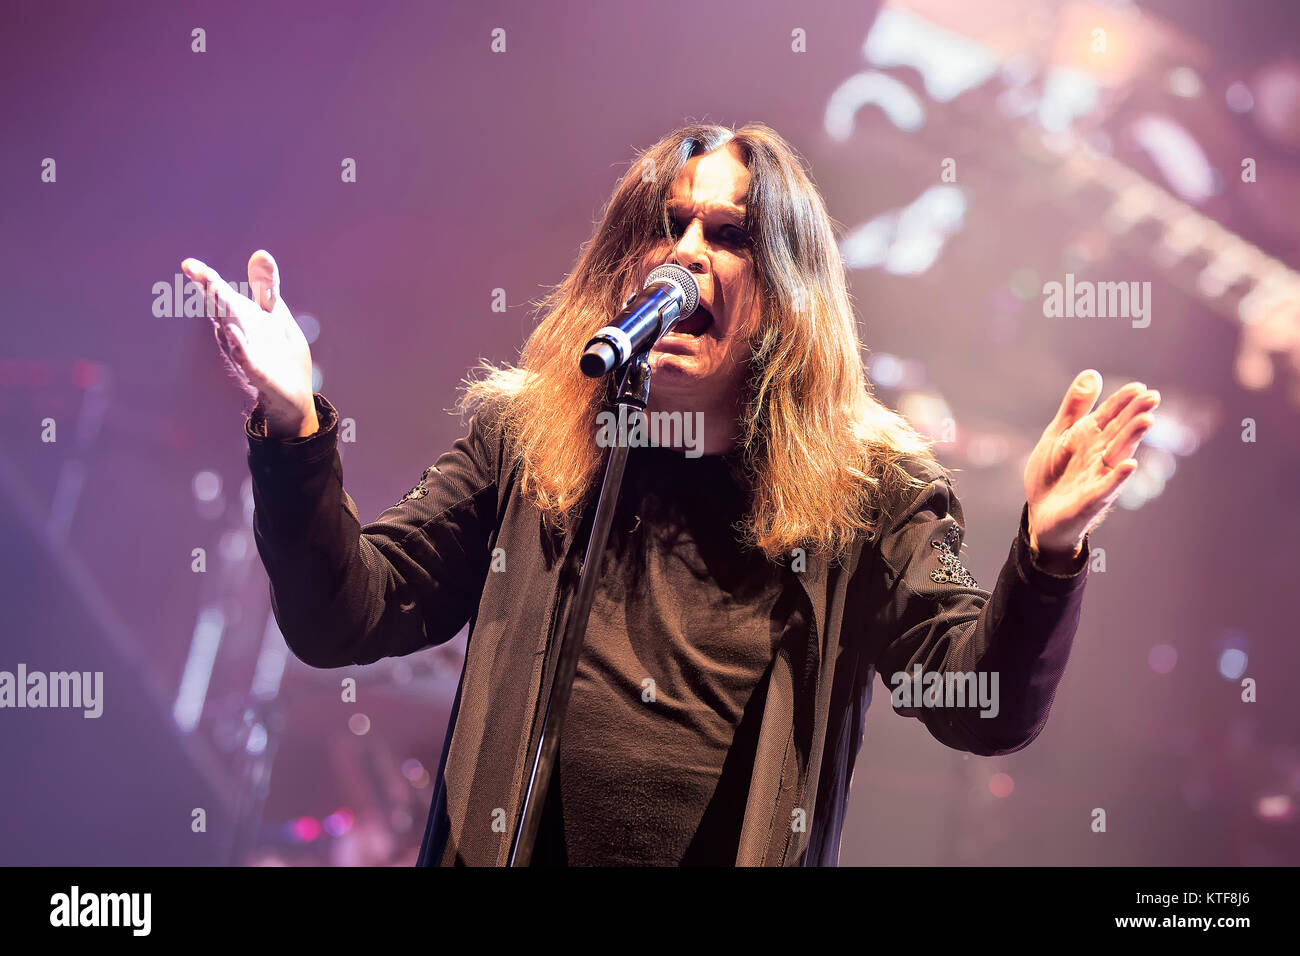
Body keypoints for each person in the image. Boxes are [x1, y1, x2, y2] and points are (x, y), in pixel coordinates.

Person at [181, 123, 1159, 866]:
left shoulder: (873, 490)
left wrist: (1047, 550)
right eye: (668, 224)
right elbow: (343, 615)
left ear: (783, 292)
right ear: (623, 264)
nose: (686, 252)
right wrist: (295, 424)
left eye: (728, 234)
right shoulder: (529, 439)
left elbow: (978, 702)